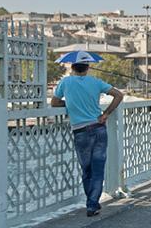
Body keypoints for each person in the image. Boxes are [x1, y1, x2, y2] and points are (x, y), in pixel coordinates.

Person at [51, 59, 123, 217]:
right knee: (98, 169)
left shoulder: (66, 82)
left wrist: (70, 103)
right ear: (88, 67)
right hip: (98, 128)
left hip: (80, 131)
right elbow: (118, 95)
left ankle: (91, 202)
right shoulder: (96, 82)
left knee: (87, 170)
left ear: (72, 67)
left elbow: (54, 103)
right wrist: (106, 114)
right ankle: (92, 204)